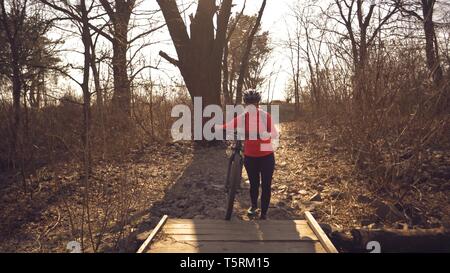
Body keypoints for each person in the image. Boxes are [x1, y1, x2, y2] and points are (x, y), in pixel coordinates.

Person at [216, 89, 278, 220]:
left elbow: (274, 133)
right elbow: (228, 126)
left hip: (266, 155)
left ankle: (264, 213)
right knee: (254, 184)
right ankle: (254, 206)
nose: (251, 106)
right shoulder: (243, 117)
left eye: (254, 103)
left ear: (257, 104)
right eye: (248, 103)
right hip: (250, 156)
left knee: (266, 184)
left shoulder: (264, 116)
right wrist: (217, 127)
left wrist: (266, 134)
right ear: (245, 104)